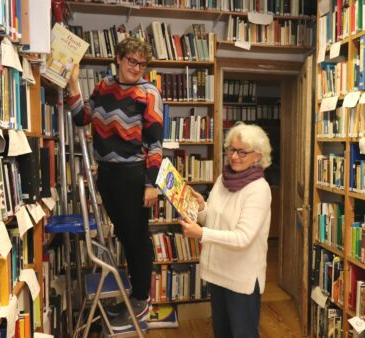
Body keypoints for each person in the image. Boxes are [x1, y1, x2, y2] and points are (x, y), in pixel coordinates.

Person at [66, 37, 163, 331]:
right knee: (124, 234)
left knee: (137, 238)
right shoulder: (104, 87)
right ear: (119, 58)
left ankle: (141, 299)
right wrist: (72, 84)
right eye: (132, 61)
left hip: (134, 175)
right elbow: (82, 118)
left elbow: (156, 143)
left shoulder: (149, 93)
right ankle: (133, 296)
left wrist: (151, 184)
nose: (137, 68)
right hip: (106, 175)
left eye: (142, 64)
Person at [179, 122, 272, 338]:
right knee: (222, 332)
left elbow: (243, 238)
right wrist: (202, 208)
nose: (234, 157)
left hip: (241, 277)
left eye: (242, 152)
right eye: (231, 149)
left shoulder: (259, 189)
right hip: (218, 271)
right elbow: (214, 218)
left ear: (257, 156)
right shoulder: (223, 179)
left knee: (243, 334)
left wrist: (201, 234)